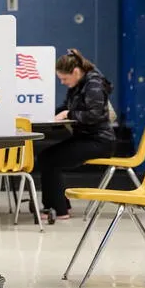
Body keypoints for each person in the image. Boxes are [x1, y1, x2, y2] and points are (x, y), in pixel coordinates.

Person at [37, 49, 115, 220]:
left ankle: (58, 210)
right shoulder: (78, 85)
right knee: (46, 157)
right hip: (87, 138)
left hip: (99, 141)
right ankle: (58, 205)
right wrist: (46, 114)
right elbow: (65, 107)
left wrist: (68, 115)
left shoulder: (93, 85)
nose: (63, 82)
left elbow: (94, 115)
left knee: (51, 160)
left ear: (76, 72)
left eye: (64, 79)